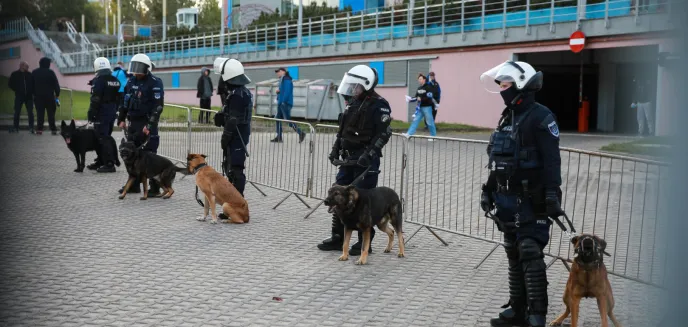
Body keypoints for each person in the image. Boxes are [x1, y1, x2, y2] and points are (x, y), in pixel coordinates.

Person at [478, 60, 566, 327]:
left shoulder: (541, 117)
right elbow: (497, 158)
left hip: (532, 198)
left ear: (520, 86)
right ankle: (517, 309)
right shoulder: (508, 116)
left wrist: (552, 195)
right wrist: (488, 190)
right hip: (506, 199)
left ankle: (536, 314)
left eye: (505, 85)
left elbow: (552, 161)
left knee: (530, 251)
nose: (502, 89)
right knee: (513, 252)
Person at [317, 64, 393, 256]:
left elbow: (383, 134)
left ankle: (364, 243)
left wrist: (368, 155)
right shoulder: (353, 103)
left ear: (366, 85)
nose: (352, 89)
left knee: (364, 200)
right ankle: (338, 237)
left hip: (366, 161)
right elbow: (342, 131)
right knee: (337, 196)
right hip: (348, 159)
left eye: (356, 86)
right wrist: (335, 150)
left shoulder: (379, 105)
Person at [117, 53, 165, 197]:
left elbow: (158, 107)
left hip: (147, 123)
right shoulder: (131, 81)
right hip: (133, 123)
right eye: (134, 67)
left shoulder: (155, 82)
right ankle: (134, 185)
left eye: (139, 68)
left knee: (149, 156)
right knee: (132, 155)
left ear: (147, 68)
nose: (136, 71)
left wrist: (149, 125)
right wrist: (121, 118)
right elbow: (125, 102)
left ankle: (155, 188)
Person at [213, 57, 252, 197]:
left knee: (235, 171)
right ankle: (232, 201)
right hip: (237, 135)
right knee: (230, 168)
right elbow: (230, 115)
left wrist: (226, 136)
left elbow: (234, 120)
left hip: (237, 137)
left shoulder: (238, 95)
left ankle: (237, 203)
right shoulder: (239, 92)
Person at [86, 57, 121, 173]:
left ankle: (109, 163)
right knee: (104, 136)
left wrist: (91, 113)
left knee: (102, 138)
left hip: (101, 112)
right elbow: (119, 97)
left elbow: (95, 99)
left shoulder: (99, 80)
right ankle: (101, 160)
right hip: (112, 111)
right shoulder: (115, 80)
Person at [271, 67, 306, 144]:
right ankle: (279, 137)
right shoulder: (282, 80)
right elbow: (283, 91)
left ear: (283, 71)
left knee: (288, 120)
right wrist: (278, 92)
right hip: (281, 103)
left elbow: (287, 91)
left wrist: (283, 101)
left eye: (278, 71)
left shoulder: (286, 79)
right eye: (276, 72)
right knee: (277, 119)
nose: (277, 73)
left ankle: (301, 133)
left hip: (285, 103)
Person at [402, 73, 437, 139]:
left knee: (430, 122)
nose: (419, 80)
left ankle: (433, 136)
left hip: (427, 107)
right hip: (420, 108)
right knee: (415, 120)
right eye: (418, 79)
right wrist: (410, 99)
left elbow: (429, 97)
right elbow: (416, 97)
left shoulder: (428, 87)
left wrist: (421, 99)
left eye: (420, 79)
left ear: (424, 79)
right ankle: (409, 134)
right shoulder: (419, 88)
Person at [32, 57, 61, 135]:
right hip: (49, 97)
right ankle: (53, 129)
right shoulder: (50, 72)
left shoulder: (34, 72)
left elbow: (31, 85)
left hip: (38, 97)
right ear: (47, 64)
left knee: (40, 114)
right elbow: (56, 84)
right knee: (51, 114)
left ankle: (39, 129)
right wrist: (57, 94)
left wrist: (33, 94)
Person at [8, 61, 34, 134]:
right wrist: (17, 89)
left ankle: (31, 128)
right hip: (19, 96)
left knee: (30, 113)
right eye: (26, 66)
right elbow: (10, 84)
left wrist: (31, 92)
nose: (28, 68)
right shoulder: (14, 74)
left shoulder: (30, 74)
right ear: (21, 66)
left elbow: (33, 84)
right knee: (17, 112)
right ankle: (16, 128)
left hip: (29, 97)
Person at [112, 61, 128, 135]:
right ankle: (121, 119)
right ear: (121, 65)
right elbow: (130, 75)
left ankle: (114, 115)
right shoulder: (123, 72)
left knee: (115, 103)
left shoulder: (113, 72)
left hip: (114, 90)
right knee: (122, 105)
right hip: (122, 90)